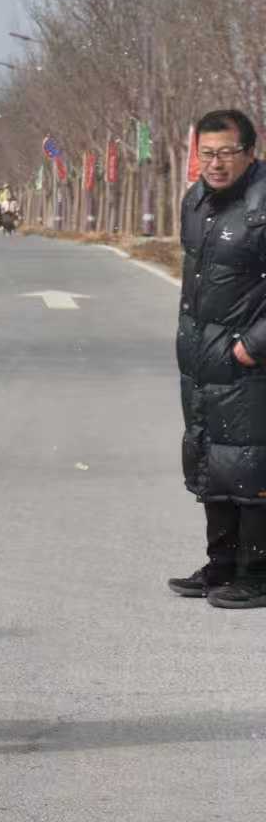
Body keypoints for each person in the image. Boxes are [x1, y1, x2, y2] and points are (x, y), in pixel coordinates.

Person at [167, 109, 266, 609]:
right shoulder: (196, 200)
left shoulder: (262, 204)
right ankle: (222, 564)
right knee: (213, 459)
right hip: (204, 359)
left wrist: (254, 345)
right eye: (207, 153)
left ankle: (258, 573)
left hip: (251, 362)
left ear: (250, 151)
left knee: (252, 464)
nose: (216, 163)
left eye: (227, 152)